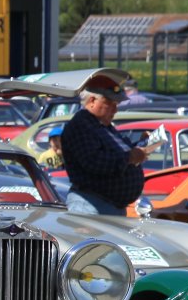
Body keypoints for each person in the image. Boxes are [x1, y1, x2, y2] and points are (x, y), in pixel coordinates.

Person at [59, 76, 144, 216]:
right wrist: (130, 157)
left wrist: (142, 145)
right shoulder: (81, 126)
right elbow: (94, 162)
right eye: (110, 103)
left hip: (105, 206)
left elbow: (118, 152)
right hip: (91, 205)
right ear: (92, 101)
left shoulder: (102, 126)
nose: (115, 110)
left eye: (116, 104)